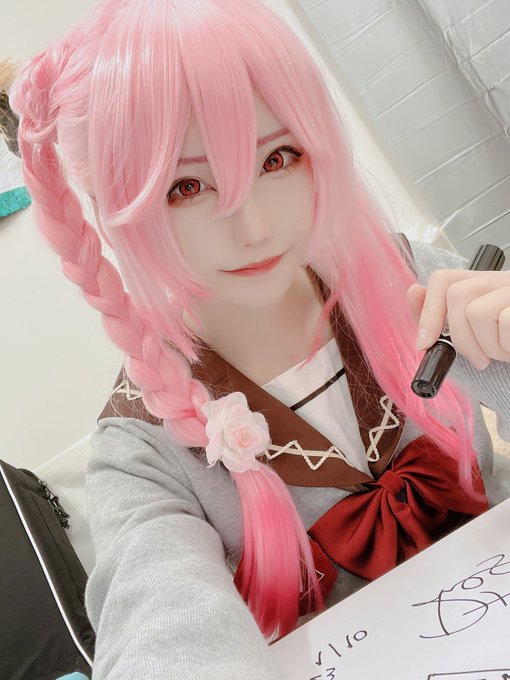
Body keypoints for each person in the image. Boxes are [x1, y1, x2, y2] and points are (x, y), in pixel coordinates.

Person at [10, 0, 510, 677]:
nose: (252, 228)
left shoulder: (407, 277)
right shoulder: (142, 450)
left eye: (277, 158)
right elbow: (160, 624)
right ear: (113, 209)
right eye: (186, 186)